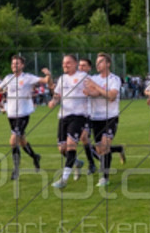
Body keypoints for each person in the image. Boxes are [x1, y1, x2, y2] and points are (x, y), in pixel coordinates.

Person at [0, 55, 51, 180]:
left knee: (13, 141)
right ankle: (35, 156)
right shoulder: (8, 78)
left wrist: (48, 75)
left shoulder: (27, 77)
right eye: (13, 63)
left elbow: (44, 80)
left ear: (22, 65)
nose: (14, 65)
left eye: (17, 63)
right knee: (22, 141)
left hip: (23, 114)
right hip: (12, 115)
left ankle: (16, 170)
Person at [83, 52, 126, 187]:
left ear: (108, 63)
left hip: (111, 116)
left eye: (100, 61)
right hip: (96, 118)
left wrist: (96, 88)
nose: (97, 64)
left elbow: (111, 96)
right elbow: (95, 93)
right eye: (96, 62)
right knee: (100, 149)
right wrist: (90, 92)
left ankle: (104, 177)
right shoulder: (94, 78)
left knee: (104, 145)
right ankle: (118, 149)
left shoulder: (114, 79)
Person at [48, 55, 89, 189]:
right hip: (63, 116)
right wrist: (54, 101)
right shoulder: (62, 78)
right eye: (64, 63)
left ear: (75, 63)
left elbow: (92, 89)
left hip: (78, 116)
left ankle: (64, 180)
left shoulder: (83, 77)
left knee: (71, 145)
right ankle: (76, 162)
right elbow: (57, 94)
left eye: (68, 63)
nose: (65, 65)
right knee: (62, 149)